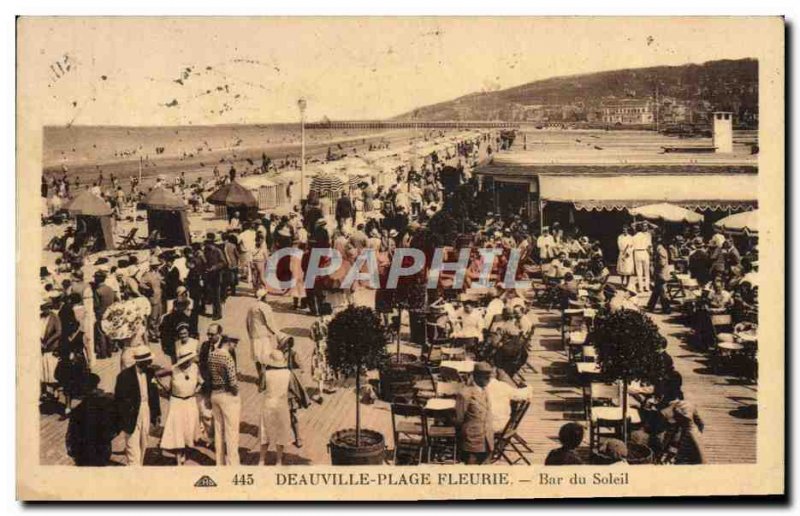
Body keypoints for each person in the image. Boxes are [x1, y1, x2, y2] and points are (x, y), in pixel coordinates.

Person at [113, 346, 161, 466]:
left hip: (146, 411)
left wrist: (156, 414)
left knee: (143, 444)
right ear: (140, 361)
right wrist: (123, 419)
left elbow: (154, 395)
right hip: (131, 414)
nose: (150, 363)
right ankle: (134, 473)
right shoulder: (124, 376)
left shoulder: (150, 373)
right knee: (132, 449)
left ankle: (138, 469)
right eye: (148, 361)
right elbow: (119, 400)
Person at [157, 350, 202, 466]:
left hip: (190, 402)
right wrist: (166, 389)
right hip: (176, 402)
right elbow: (157, 375)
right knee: (177, 429)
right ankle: (178, 458)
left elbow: (201, 381)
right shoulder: (173, 369)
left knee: (188, 428)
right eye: (184, 362)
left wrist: (195, 391)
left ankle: (183, 452)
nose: (186, 363)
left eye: (188, 361)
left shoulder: (195, 367)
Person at [65, 373, 117, 466]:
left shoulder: (78, 410)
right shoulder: (108, 400)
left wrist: (73, 452)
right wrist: (109, 436)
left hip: (84, 453)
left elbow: (71, 436)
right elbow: (116, 422)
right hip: (103, 449)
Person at [208, 335, 241, 465]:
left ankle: (219, 462)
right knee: (231, 432)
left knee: (218, 430)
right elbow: (233, 383)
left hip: (214, 394)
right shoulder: (228, 358)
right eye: (235, 344)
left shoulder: (212, 355)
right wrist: (236, 394)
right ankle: (233, 464)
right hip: (227, 395)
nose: (235, 347)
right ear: (228, 342)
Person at [455, 362, 495, 464]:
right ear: (475, 376)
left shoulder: (485, 391)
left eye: (489, 376)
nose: (488, 379)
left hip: (487, 439)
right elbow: (459, 419)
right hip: (472, 440)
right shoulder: (465, 394)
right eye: (484, 376)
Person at [258, 350, 293, 465]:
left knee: (265, 431)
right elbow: (291, 389)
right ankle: (279, 460)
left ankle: (261, 460)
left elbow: (261, 388)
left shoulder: (266, 374)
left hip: (268, 403)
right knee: (281, 432)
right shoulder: (288, 373)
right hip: (282, 404)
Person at [246, 289, 280, 390]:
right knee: (265, 358)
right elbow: (270, 322)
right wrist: (276, 332)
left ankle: (261, 378)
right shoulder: (266, 307)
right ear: (264, 296)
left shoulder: (251, 307)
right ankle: (264, 380)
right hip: (264, 336)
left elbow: (247, 322)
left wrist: (250, 334)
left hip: (254, 336)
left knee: (257, 358)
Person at [484, 368, 531, 432]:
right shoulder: (502, 385)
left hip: (486, 426)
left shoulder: (477, 388)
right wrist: (528, 388)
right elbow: (523, 395)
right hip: (503, 424)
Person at [646, 233, 672, 314]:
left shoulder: (660, 250)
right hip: (659, 273)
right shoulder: (659, 249)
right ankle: (650, 305)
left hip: (661, 273)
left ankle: (667, 308)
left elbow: (662, 263)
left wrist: (654, 264)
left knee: (662, 291)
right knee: (656, 290)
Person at [139, 256, 163, 342]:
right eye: (155, 265)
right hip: (153, 298)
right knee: (153, 317)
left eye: (157, 265)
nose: (156, 266)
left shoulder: (158, 273)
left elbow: (161, 281)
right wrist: (148, 289)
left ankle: (157, 333)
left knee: (159, 316)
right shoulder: (147, 275)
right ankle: (152, 334)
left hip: (159, 297)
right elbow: (141, 283)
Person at [159, 299, 191, 364]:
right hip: (179, 344)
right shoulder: (184, 318)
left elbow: (161, 331)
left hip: (168, 345)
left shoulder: (165, 317)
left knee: (174, 361)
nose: (186, 308)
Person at [203, 233, 226, 320]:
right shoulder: (206, 251)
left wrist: (215, 267)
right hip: (209, 276)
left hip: (216, 276)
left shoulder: (218, 251)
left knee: (216, 296)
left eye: (208, 244)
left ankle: (218, 314)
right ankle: (214, 312)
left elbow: (223, 262)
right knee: (212, 295)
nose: (207, 246)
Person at [631, 222, 651, 293]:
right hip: (645, 252)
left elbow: (631, 247)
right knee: (647, 271)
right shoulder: (646, 236)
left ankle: (641, 288)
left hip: (637, 253)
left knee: (639, 272)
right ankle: (647, 287)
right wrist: (650, 254)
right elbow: (649, 246)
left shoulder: (633, 237)